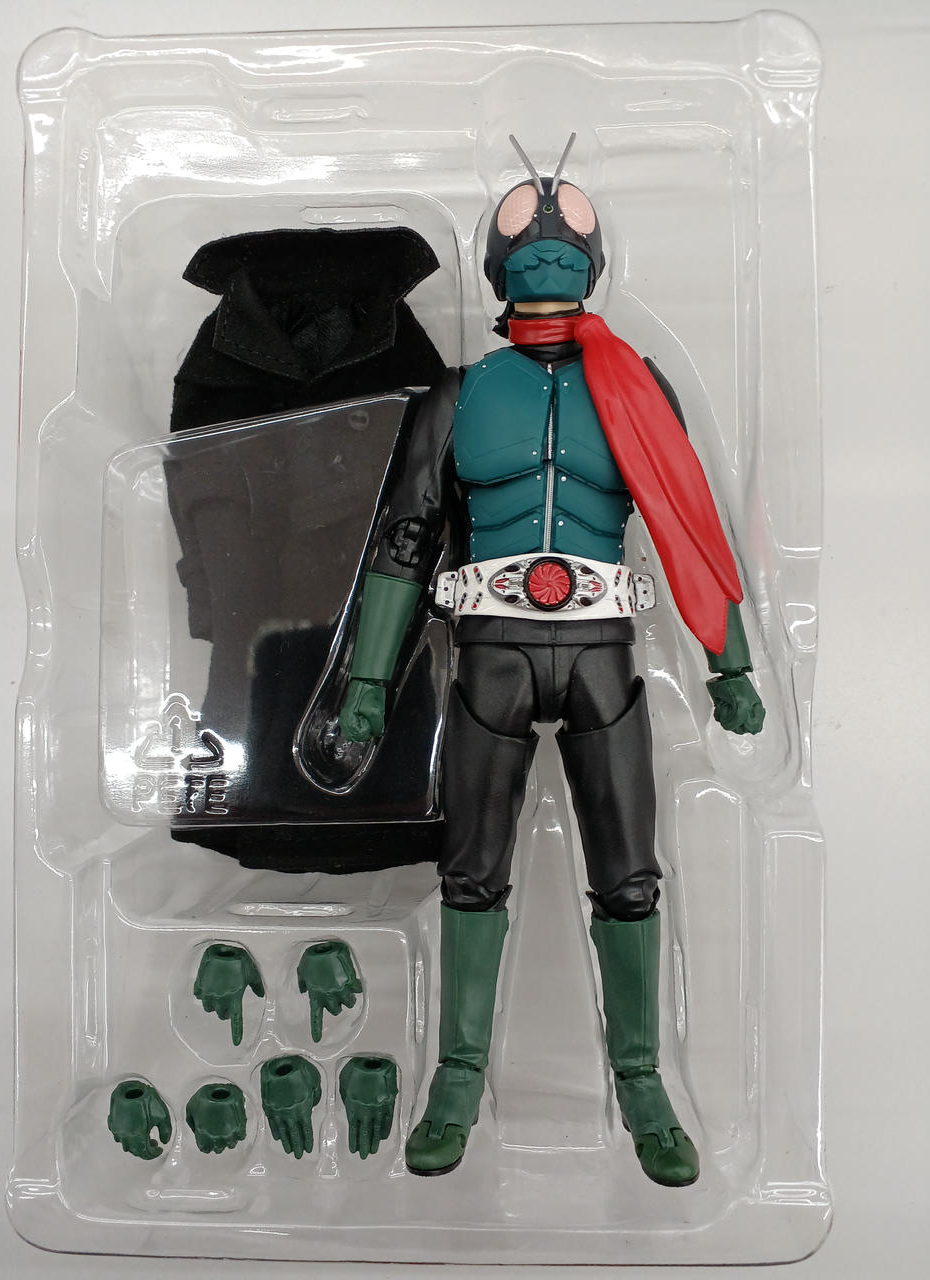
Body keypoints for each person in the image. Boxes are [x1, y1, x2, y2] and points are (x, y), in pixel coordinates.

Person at [338, 137, 765, 1184]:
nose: (544, 227)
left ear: (596, 253)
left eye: (567, 214)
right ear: (494, 260)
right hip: (489, 652)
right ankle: (456, 1078)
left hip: (602, 654)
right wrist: (365, 687)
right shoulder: (457, 394)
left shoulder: (636, 386)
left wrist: (730, 662)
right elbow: (405, 540)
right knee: (470, 870)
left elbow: (688, 522)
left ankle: (642, 1080)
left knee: (630, 876)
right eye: (525, 219)